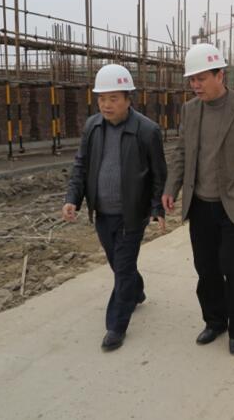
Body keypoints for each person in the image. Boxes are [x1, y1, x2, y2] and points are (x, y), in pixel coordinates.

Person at [161, 43, 234, 356]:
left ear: (220, 75)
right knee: (206, 267)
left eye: (201, 78)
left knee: (233, 265)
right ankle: (215, 321)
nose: (195, 85)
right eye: (192, 80)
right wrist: (171, 187)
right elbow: (182, 152)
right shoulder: (190, 110)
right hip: (200, 203)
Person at [63, 64, 167, 351]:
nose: (106, 105)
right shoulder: (93, 126)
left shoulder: (147, 130)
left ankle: (116, 326)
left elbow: (159, 174)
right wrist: (72, 199)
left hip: (131, 214)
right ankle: (137, 291)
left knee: (122, 268)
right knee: (119, 263)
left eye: (113, 99)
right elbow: (81, 166)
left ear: (128, 99)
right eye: (102, 98)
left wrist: (157, 208)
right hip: (102, 212)